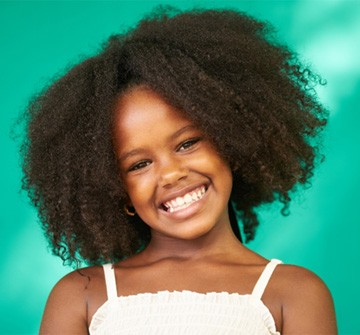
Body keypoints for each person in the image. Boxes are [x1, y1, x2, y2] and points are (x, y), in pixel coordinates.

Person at [21, 7, 337, 334]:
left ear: (231, 141)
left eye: (187, 144)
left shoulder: (295, 293)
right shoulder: (81, 297)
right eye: (139, 164)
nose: (171, 174)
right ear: (116, 189)